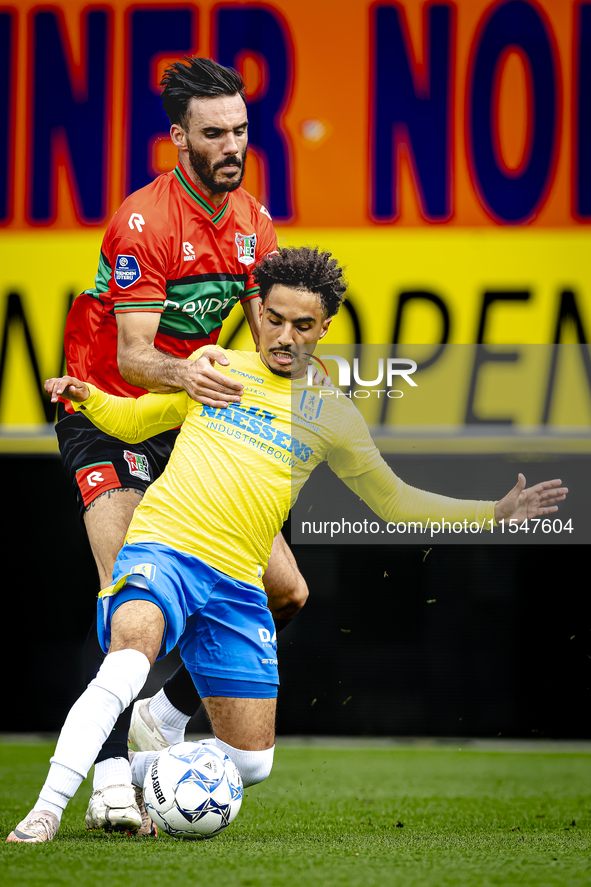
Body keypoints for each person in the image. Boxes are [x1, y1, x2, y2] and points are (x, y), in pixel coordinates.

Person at [8, 246, 568, 843]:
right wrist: (88, 398)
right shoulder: (219, 365)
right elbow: (138, 420)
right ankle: (45, 809)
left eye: (303, 325)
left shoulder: (333, 415)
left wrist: (494, 512)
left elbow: (395, 501)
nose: (284, 336)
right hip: (164, 548)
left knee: (252, 764)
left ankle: (148, 767)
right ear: (260, 312)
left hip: (236, 583)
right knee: (126, 660)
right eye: (273, 318)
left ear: (324, 328)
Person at [55, 56, 308, 830]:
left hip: (184, 415)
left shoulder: (255, 224)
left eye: (239, 129)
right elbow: (133, 356)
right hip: (109, 411)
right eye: (214, 133)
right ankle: (106, 787)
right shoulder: (144, 220)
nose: (232, 144)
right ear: (179, 139)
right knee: (127, 602)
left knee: (287, 589)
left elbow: (262, 328)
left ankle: (163, 711)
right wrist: (193, 378)